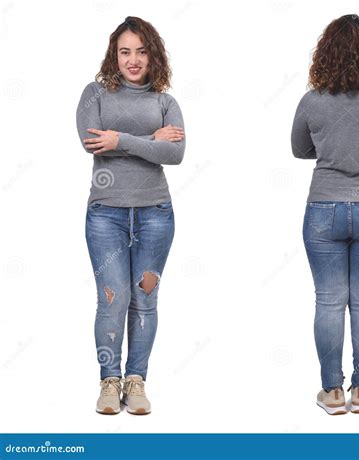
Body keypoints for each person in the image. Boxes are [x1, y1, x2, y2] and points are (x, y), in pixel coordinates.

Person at [291, 14, 359, 415]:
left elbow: (299, 149)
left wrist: (331, 149)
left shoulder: (311, 101)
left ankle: (332, 393)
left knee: (329, 301)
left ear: (325, 53)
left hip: (323, 210)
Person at [76, 16, 186, 415]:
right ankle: (110, 380)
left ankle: (136, 380)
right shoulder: (95, 94)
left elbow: (175, 154)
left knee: (144, 299)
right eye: (125, 52)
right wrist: (148, 140)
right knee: (112, 299)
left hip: (156, 214)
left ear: (152, 54)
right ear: (114, 55)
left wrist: (118, 138)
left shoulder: (164, 101)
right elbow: (92, 143)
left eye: (141, 51)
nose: (133, 60)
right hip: (106, 215)